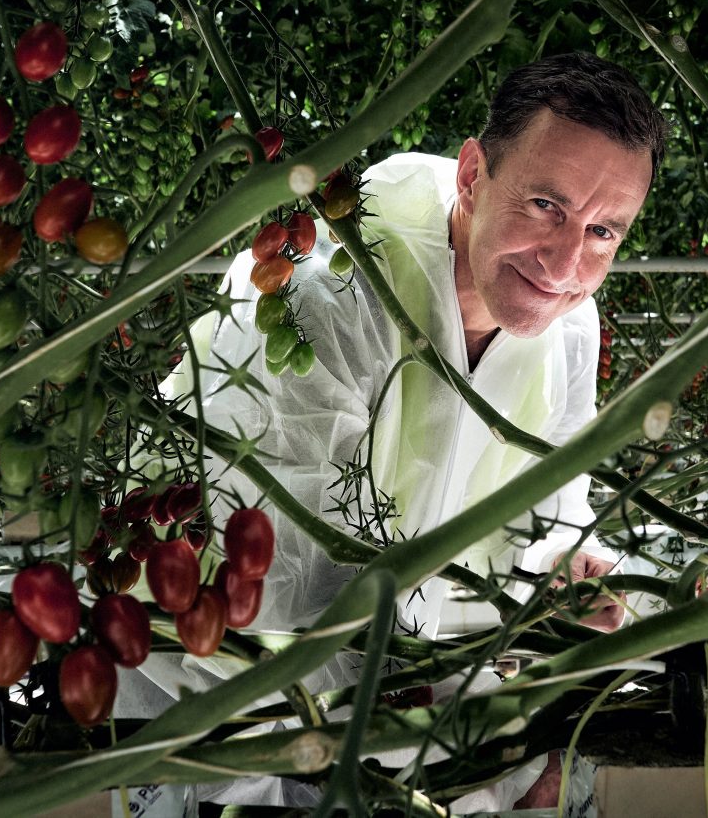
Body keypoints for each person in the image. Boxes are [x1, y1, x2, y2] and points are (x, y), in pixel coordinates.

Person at [132, 50, 667, 812]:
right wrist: (483, 750)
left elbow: (551, 508)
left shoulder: (571, 325)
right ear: (473, 174)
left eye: (604, 230)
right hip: (217, 691)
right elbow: (294, 593)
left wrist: (566, 570)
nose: (565, 261)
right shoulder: (331, 286)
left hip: (389, 693)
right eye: (546, 205)